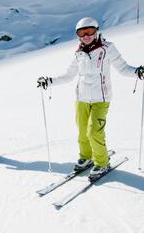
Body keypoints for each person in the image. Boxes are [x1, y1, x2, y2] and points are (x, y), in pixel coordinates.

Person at [37, 17, 144, 177]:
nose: (86, 35)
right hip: (81, 99)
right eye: (81, 33)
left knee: (94, 131)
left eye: (89, 31)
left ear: (96, 31)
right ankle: (86, 157)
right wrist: (49, 81)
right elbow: (68, 75)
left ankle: (102, 162)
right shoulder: (78, 53)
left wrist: (137, 71)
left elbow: (122, 68)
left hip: (101, 98)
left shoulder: (108, 48)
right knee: (82, 132)